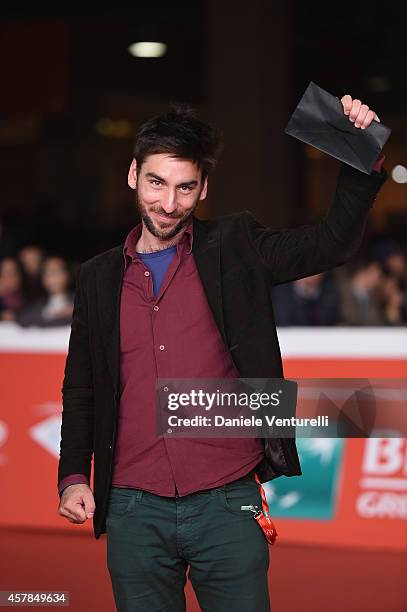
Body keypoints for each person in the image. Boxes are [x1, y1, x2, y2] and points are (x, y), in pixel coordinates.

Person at [57, 97, 387, 611]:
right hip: (131, 509)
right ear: (132, 176)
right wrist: (75, 474)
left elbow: (330, 245)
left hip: (227, 504)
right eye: (156, 183)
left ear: (203, 189)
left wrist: (359, 148)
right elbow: (81, 387)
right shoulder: (98, 277)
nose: (169, 204)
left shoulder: (235, 245)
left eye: (185, 187)